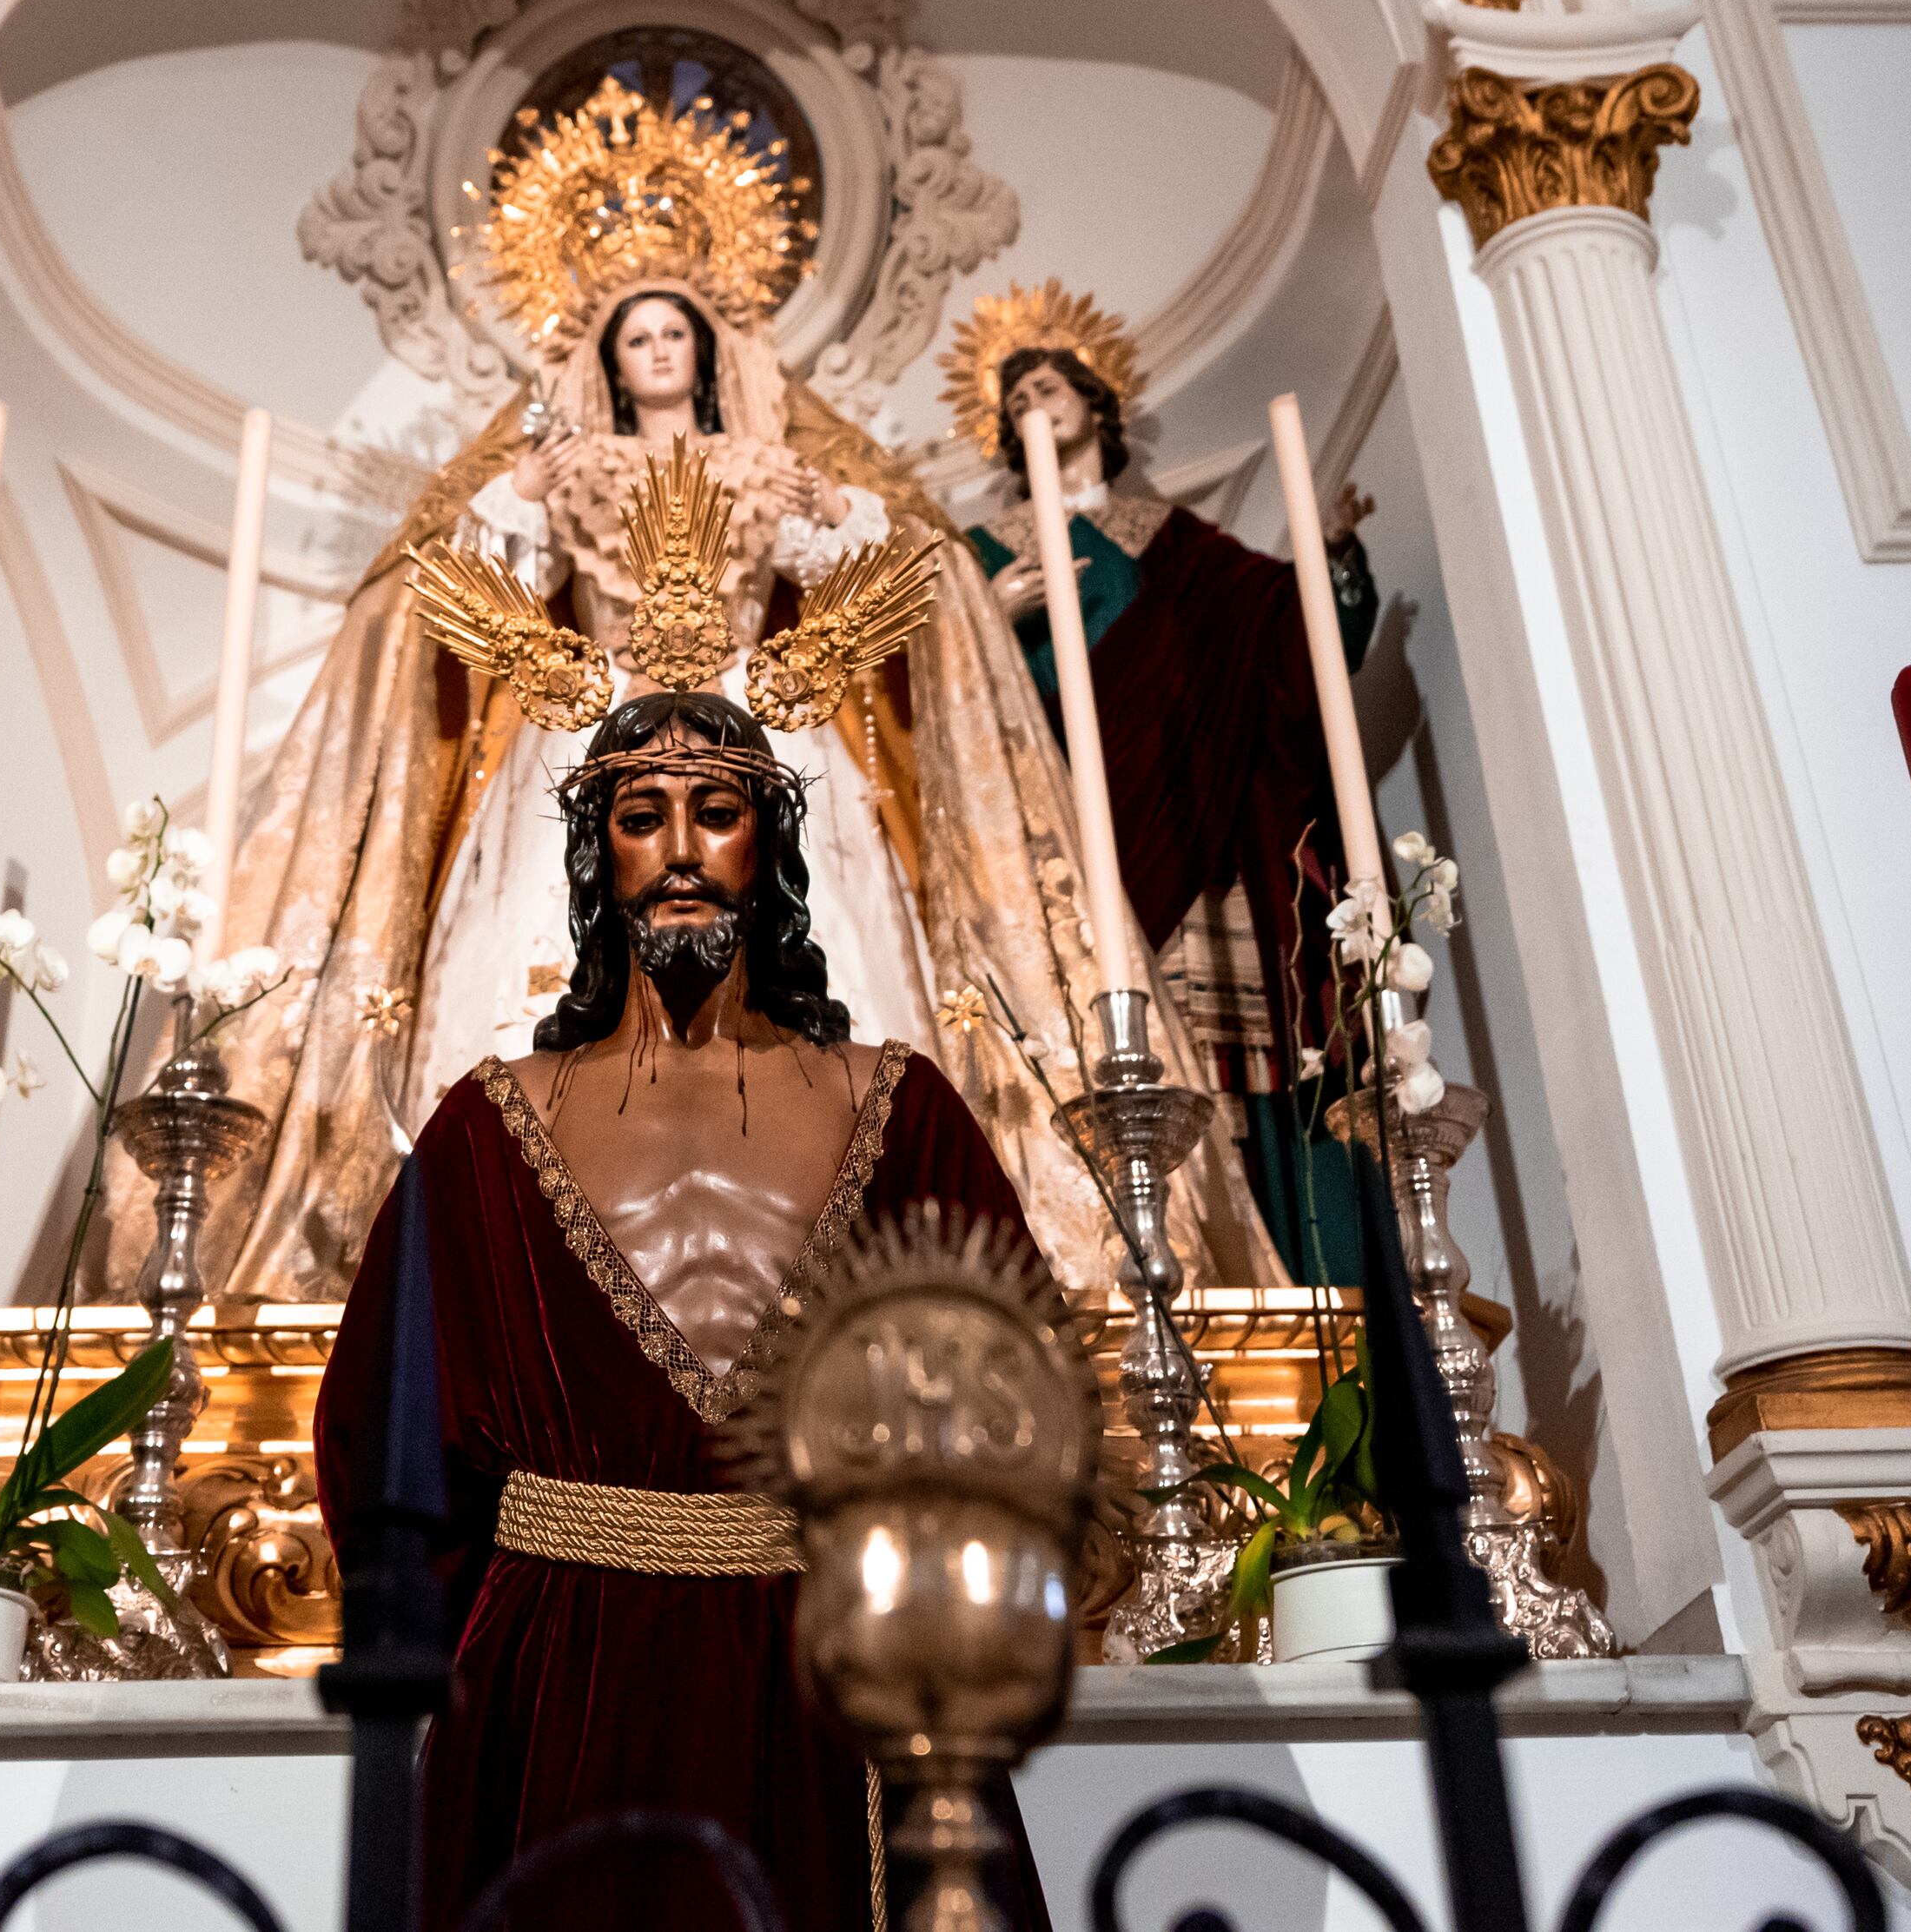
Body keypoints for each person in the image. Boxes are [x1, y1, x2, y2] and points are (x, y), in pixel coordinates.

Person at [188, 90, 1278, 1307]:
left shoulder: (764, 462)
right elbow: (470, 579)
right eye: (637, 337)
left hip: (758, 712)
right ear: (606, 356)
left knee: (809, 940)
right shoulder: (572, 465)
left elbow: (873, 564)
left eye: (676, 333)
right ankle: (559, 1206)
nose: (659, 351)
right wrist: (516, 491)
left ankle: (811, 1184)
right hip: (595, 712)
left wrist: (833, 511)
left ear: (710, 347)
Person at [316, 691, 1048, 1932]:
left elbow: (1012, 1392)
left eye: (721, 810)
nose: (685, 848)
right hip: (551, 1679)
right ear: (600, 851)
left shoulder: (901, 1105)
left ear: (772, 841)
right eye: (642, 815)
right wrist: (452, 1660)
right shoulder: (491, 1122)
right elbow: (380, 1432)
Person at [950, 281, 1382, 1282]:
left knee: (1228, 1056)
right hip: (1055, 842)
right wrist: (983, 623)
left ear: (1097, 401)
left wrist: (1329, 565)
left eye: (1051, 382)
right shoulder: (977, 557)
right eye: (1014, 396)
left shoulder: (1179, 542)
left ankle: (1279, 1278)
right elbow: (942, 710)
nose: (1034, 401)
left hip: (1191, 839)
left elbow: (1282, 641)